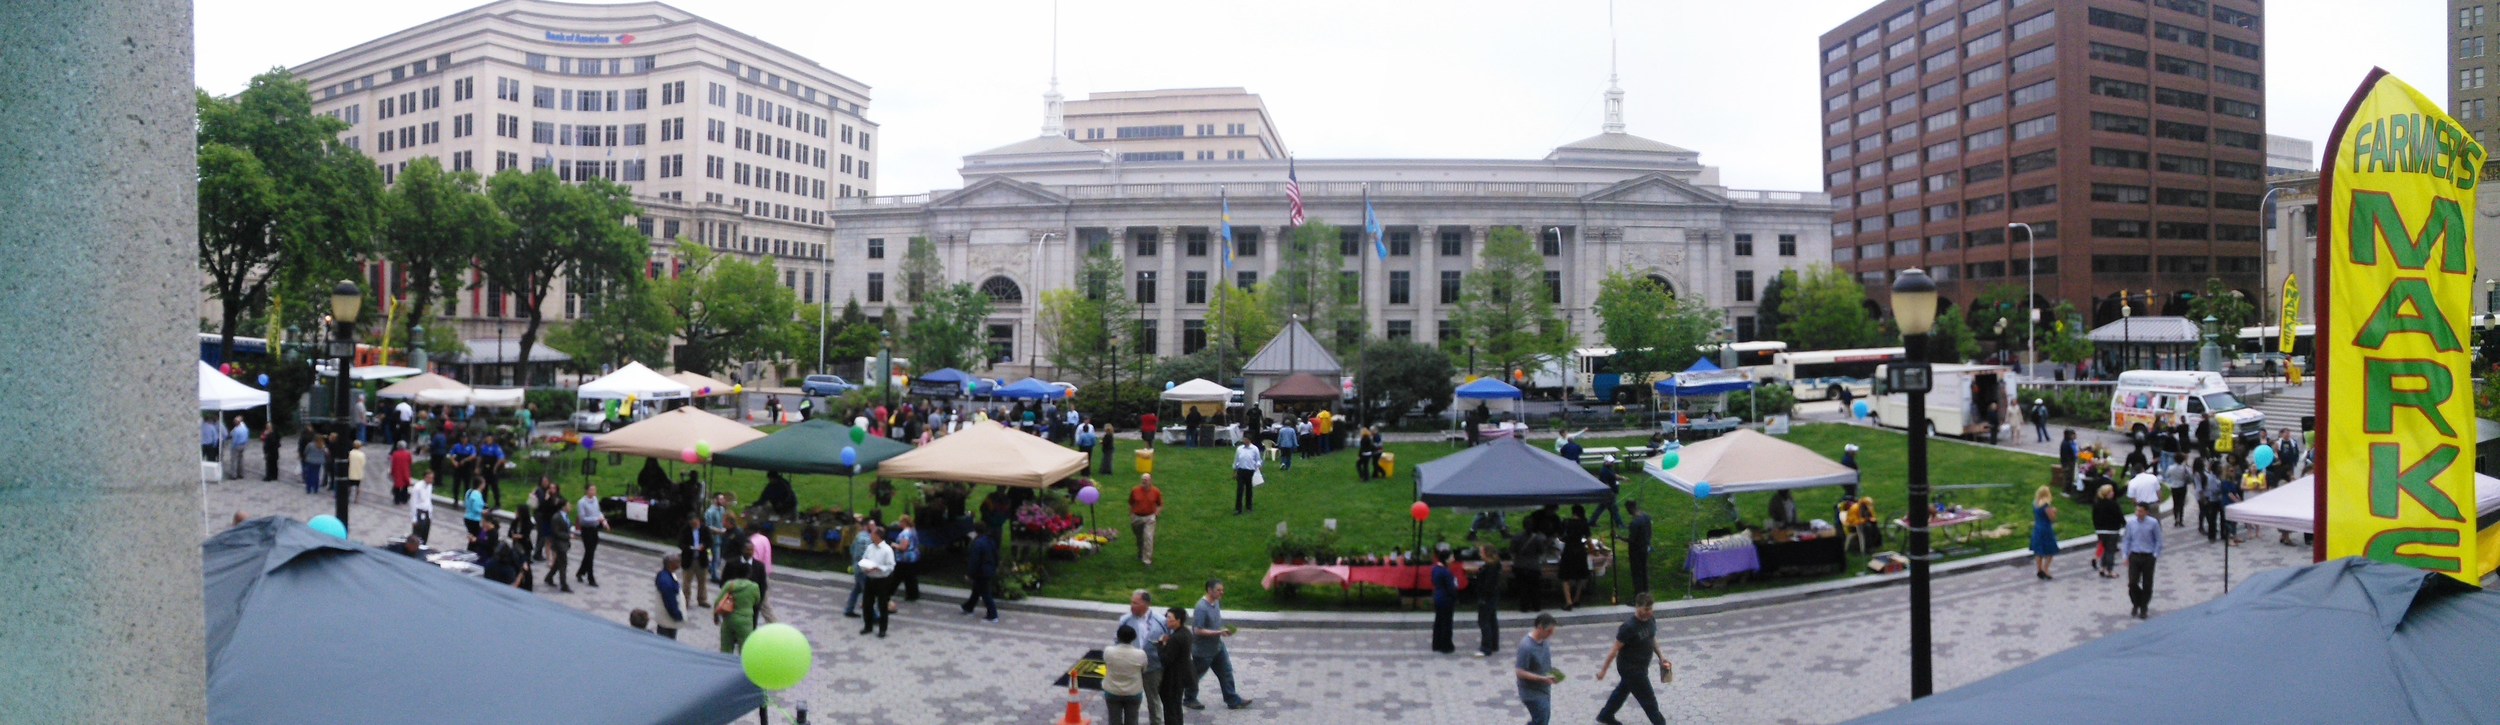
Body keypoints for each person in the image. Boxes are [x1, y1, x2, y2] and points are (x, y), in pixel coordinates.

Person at [1594, 593, 1672, 725]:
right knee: (1648, 699)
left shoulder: (1651, 619)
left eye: (1651, 609)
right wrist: (1603, 671)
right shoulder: (1628, 627)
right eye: (1646, 609)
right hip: (1631, 669)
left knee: (1623, 690)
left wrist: (1661, 657)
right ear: (1637, 607)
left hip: (1641, 666)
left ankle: (1605, 715)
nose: (1649, 612)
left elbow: (1652, 638)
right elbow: (1614, 651)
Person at [1185, 579, 1250, 711]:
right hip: (1203, 652)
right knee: (1196, 675)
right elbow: (1197, 630)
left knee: (1226, 672)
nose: (1222, 592)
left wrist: (1221, 631)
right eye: (1218, 590)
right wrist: (1219, 632)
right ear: (1209, 590)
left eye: (1222, 590)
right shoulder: (1201, 608)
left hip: (1217, 647)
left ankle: (1232, 699)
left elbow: (1214, 623)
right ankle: (1189, 699)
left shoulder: (1216, 602)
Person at [1116, 590, 1173, 725]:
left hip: (1153, 668)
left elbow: (1170, 641)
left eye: (1135, 603)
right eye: (1131, 602)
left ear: (1146, 604)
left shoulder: (1161, 621)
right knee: (1129, 699)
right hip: (1131, 667)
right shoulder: (1125, 620)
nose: (1131, 605)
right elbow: (1117, 641)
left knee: (1153, 700)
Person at [2122, 501, 2164, 619]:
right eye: (2137, 510)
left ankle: (2144, 606)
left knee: (2147, 583)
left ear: (2146, 512)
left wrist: (2155, 554)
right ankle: (2136, 602)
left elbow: (2159, 540)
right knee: (2132, 582)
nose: (2138, 513)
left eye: (2140, 511)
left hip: (2148, 556)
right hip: (2134, 555)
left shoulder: (2153, 523)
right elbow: (2127, 540)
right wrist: (2125, 555)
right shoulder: (2131, 524)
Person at [1515, 613, 1558, 725]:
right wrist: (1542, 678)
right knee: (1542, 719)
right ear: (1540, 628)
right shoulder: (1526, 647)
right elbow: (1519, 672)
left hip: (1544, 689)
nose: (1551, 634)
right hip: (1531, 693)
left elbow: (1545, 663)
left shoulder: (1544, 642)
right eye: (1549, 631)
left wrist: (1554, 674)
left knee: (1542, 718)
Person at [1103, 624, 1149, 725]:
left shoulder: (1108, 651)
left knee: (1114, 720)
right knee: (1132, 720)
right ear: (1133, 638)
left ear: (1118, 636)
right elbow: (1144, 670)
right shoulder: (1140, 654)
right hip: (1133, 692)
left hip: (1112, 691)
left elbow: (1106, 665)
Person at [857, 526, 897, 638]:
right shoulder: (870, 547)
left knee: (882, 605)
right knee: (867, 603)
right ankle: (868, 626)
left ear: (878, 536)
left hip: (882, 581)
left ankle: (882, 629)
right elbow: (864, 559)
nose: (871, 535)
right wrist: (864, 567)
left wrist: (878, 568)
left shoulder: (887, 550)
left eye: (873, 534)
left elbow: (891, 566)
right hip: (870, 579)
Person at [1157, 608, 1194, 725]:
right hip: (1181, 676)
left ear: (1178, 620)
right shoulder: (1186, 632)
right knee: (1176, 707)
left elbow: (1165, 659)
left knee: (1170, 709)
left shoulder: (1176, 638)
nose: (1167, 621)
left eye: (1169, 619)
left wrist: (1161, 645)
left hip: (1172, 678)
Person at [714, 560, 760, 653]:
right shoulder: (754, 587)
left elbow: (717, 602)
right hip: (745, 620)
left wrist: (716, 616)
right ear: (749, 573)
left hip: (728, 618)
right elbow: (757, 601)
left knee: (725, 649)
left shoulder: (730, 584)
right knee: (745, 649)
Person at [961, 526, 1000, 622]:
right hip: (989, 570)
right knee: (977, 590)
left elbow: (974, 561)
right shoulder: (990, 541)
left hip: (981, 572)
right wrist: (995, 566)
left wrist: (969, 574)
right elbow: (996, 556)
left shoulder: (977, 544)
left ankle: (992, 615)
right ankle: (968, 607)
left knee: (985, 593)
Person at [575, 484, 609, 587]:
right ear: (587, 491)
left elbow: (598, 512)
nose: (593, 492)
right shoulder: (582, 502)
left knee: (590, 552)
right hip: (586, 530)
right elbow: (582, 519)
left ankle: (580, 572)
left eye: (594, 489)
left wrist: (603, 522)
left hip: (595, 529)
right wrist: (596, 519)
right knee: (590, 553)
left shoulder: (595, 500)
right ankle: (591, 577)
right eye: (591, 490)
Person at [1559, 506, 1591, 611]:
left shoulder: (1566, 522)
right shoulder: (1584, 524)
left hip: (1568, 550)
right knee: (1581, 575)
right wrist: (1593, 549)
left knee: (1565, 576)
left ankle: (1568, 601)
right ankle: (1576, 598)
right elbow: (1589, 540)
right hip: (1580, 550)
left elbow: (1561, 537)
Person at [2090, 484, 2124, 579]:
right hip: (2112, 530)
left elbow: (2094, 517)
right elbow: (2119, 516)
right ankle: (2110, 570)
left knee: (2103, 550)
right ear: (2107, 493)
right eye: (2111, 491)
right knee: (2110, 551)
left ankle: (2103, 568)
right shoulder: (2113, 504)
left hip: (2101, 531)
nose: (2113, 493)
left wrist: (2097, 528)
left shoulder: (2097, 504)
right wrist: (2124, 524)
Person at [1474, 550, 1504, 657]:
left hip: (1487, 598)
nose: (1480, 554)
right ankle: (1494, 644)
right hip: (1493, 597)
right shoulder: (1495, 566)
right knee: (1492, 620)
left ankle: (1486, 647)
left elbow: (1488, 585)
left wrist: (1483, 596)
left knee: (1484, 621)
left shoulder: (1490, 568)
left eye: (1482, 552)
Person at [843, 520, 875, 618]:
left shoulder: (858, 536)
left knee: (857, 589)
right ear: (867, 526)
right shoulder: (866, 539)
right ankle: (873, 616)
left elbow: (852, 550)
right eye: (872, 526)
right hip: (864, 569)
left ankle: (849, 609)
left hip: (857, 567)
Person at [1130, 475, 1162, 567]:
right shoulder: (1135, 490)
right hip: (1137, 517)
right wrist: (1132, 514)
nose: (1144, 482)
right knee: (1139, 537)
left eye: (1146, 480)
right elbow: (1131, 503)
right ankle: (1140, 553)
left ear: (1150, 481)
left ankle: (1147, 560)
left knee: (1148, 537)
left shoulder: (1156, 491)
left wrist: (1156, 514)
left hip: (1149, 517)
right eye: (1143, 480)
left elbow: (1159, 504)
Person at [541, 502, 573, 593]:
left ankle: (549, 577)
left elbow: (567, 526)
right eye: (568, 505)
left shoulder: (565, 516)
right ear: (563, 507)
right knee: (563, 563)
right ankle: (564, 584)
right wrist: (568, 536)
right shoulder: (556, 517)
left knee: (558, 563)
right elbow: (556, 532)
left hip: (564, 543)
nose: (570, 507)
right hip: (559, 544)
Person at [2029, 485, 2059, 580]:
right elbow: (2052, 519)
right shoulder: (2046, 505)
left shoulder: (2035, 503)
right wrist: (2054, 512)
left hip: (2037, 528)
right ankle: (2046, 569)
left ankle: (2039, 569)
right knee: (2050, 550)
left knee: (2039, 551)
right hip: (2046, 529)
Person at [1511, 529, 1546, 612]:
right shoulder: (1538, 539)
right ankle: (1536, 606)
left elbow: (1512, 550)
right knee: (1535, 588)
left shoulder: (1517, 538)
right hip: (1534, 566)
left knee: (1523, 588)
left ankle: (1524, 606)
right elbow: (1541, 551)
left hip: (1520, 565)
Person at [1430, 553, 1458, 654]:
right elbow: (1451, 588)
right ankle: (1446, 646)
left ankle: (1436, 644)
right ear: (1446, 560)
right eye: (1451, 557)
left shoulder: (1435, 569)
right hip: (1446, 600)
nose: (1453, 559)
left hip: (1438, 597)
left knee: (1438, 622)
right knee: (1447, 623)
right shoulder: (1446, 572)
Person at [653, 553, 685, 640]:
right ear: (670, 563)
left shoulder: (666, 575)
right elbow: (670, 601)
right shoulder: (666, 581)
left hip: (666, 619)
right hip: (667, 619)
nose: (680, 563)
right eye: (678, 561)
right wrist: (677, 615)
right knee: (666, 640)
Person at [1626, 501, 1653, 595]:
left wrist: (1618, 537)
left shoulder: (1635, 523)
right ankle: (1646, 592)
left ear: (1630, 508)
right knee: (1644, 571)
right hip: (1645, 547)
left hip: (1635, 551)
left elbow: (1631, 540)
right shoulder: (1646, 517)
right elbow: (1650, 532)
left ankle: (1638, 595)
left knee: (1637, 573)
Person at [893, 515, 921, 601]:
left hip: (904, 559)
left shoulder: (905, 533)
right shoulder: (913, 531)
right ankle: (913, 595)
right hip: (913, 557)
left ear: (904, 523)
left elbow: (903, 547)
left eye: (900, 522)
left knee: (896, 577)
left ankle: (888, 592)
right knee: (911, 578)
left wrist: (894, 545)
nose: (899, 524)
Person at [2162, 452, 2193, 528]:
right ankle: (2181, 520)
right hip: (2182, 486)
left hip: (2174, 487)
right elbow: (2190, 476)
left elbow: (2167, 475)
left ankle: (2176, 519)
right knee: (2181, 503)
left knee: (2175, 503)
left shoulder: (2170, 468)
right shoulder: (2184, 468)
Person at [1230, 438, 1260, 515]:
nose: (1244, 441)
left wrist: (1257, 467)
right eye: (1244, 440)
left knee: (1249, 489)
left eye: (1246, 440)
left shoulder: (1254, 449)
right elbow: (1236, 460)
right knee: (1240, 490)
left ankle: (1249, 506)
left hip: (1250, 471)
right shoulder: (1239, 449)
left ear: (1249, 440)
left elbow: (1258, 460)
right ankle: (1238, 509)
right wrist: (1234, 471)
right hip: (1241, 471)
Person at [477, 435, 504, 509]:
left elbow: (500, 459)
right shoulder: (484, 447)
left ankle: (497, 503)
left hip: (492, 470)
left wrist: (495, 468)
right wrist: (478, 467)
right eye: (487, 439)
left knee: (494, 487)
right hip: (485, 469)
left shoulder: (496, 448)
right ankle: (484, 502)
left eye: (490, 439)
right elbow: (481, 457)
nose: (488, 440)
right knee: (484, 486)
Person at [408, 476, 434, 544]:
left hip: (427, 513)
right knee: (417, 536)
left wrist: (430, 514)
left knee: (425, 535)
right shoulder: (418, 487)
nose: (432, 480)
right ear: (426, 477)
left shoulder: (430, 486)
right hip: (419, 512)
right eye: (431, 478)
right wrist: (414, 518)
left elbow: (428, 500)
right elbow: (413, 502)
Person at [226, 415, 252, 480]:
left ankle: (233, 475)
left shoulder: (236, 430)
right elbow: (247, 437)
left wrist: (232, 446)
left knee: (234, 460)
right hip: (243, 445)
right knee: (241, 459)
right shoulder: (245, 428)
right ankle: (241, 473)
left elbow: (234, 440)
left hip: (236, 446)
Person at [388, 441, 414, 505]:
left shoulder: (395, 454)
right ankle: (404, 499)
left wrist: (392, 472)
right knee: (405, 486)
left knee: (397, 486)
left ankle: (397, 500)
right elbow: (410, 463)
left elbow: (393, 464)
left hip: (397, 472)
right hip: (405, 471)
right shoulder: (408, 454)